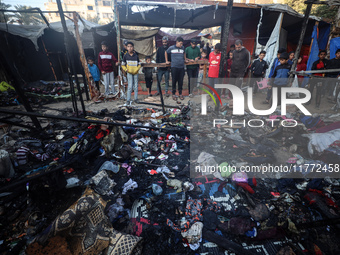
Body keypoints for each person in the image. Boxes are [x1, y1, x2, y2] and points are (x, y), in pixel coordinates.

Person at [165, 36, 187, 101]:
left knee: (181, 81)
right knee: (174, 81)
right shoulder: (171, 48)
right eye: (180, 43)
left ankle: (180, 93)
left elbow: (184, 53)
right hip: (174, 67)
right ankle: (174, 94)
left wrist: (185, 59)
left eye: (182, 44)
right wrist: (166, 60)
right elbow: (166, 52)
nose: (181, 45)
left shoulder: (183, 48)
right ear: (177, 42)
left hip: (181, 67)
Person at [208, 43, 222, 110]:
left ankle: (216, 98)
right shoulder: (211, 54)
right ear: (215, 49)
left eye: (219, 50)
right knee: (210, 86)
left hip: (217, 74)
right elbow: (209, 62)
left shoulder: (221, 55)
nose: (218, 51)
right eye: (217, 50)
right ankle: (210, 96)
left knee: (216, 87)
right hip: (211, 73)